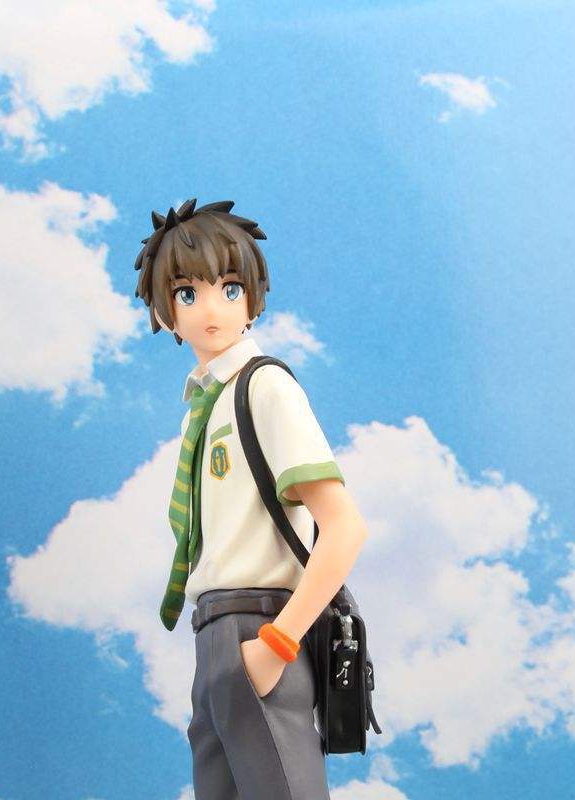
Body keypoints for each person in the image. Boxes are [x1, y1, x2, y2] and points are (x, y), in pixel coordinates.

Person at [133, 198, 369, 800]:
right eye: (188, 293)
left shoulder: (264, 386)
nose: (212, 308)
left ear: (253, 298)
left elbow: (344, 527)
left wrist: (278, 643)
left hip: (261, 625)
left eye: (230, 288)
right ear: (163, 310)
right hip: (211, 635)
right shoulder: (205, 405)